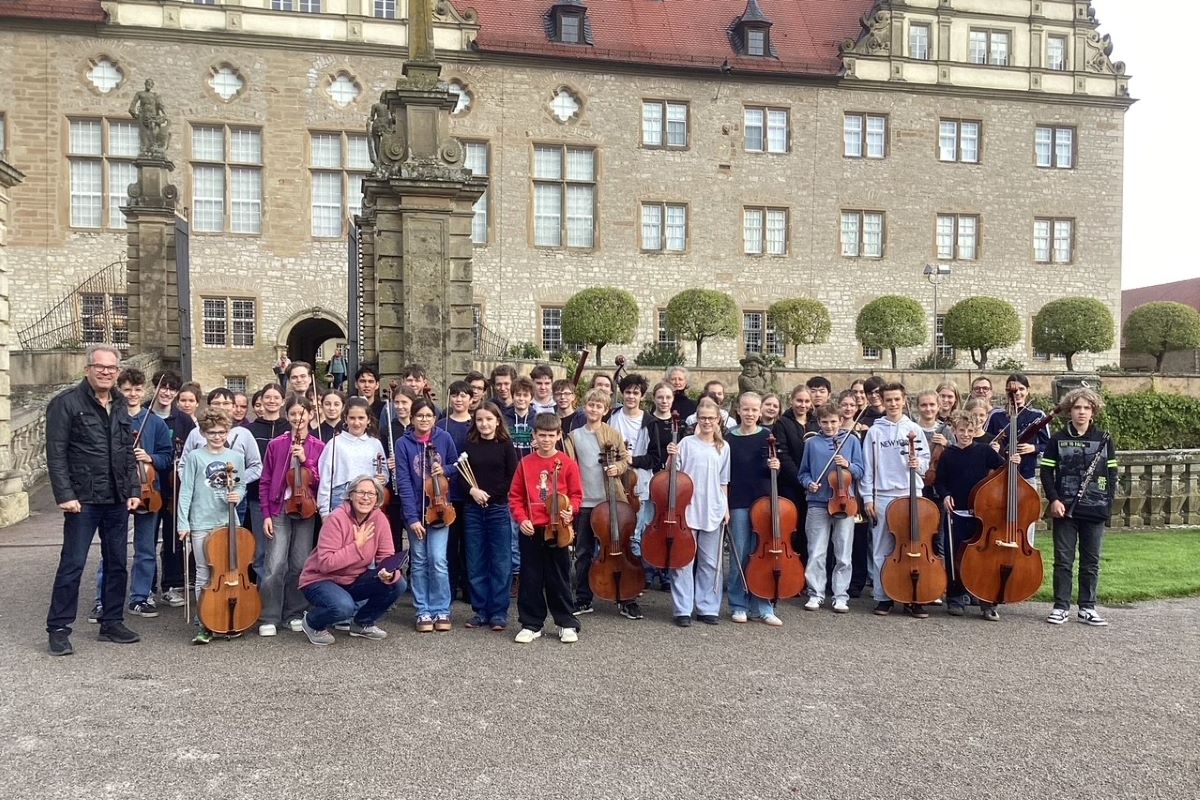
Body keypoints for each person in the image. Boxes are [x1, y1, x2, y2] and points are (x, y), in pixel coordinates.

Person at [45, 345, 143, 656]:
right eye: (100, 367)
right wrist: (65, 495)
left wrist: (133, 490)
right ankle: (59, 628)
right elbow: (56, 453)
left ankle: (111, 621)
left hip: (116, 497)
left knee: (117, 563)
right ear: (88, 368)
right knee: (72, 564)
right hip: (82, 500)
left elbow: (127, 452)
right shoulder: (66, 403)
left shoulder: (120, 404)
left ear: (118, 372)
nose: (106, 372)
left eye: (111, 368)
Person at [89, 368, 173, 623]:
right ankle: (104, 600)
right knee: (111, 549)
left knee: (146, 548)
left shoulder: (155, 422)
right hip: (117, 492)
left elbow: (168, 456)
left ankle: (141, 596)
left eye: (137, 390)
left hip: (149, 491)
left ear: (145, 391)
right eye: (127, 390)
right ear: (119, 390)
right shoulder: (110, 418)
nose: (132, 394)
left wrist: (150, 457)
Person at [1040, 388, 1118, 627]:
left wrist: (1108, 504)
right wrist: (1053, 499)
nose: (1081, 412)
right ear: (1069, 411)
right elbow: (1046, 471)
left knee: (1090, 560)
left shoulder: (1104, 439)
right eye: (1077, 407)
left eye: (1086, 407)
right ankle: (1061, 606)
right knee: (1063, 560)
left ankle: (1087, 607)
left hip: (1095, 509)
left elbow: (1112, 474)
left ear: (1093, 411)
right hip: (1065, 508)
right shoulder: (1058, 438)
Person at [298, 475, 406, 646]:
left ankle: (362, 623)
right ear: (351, 495)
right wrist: (357, 546)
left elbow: (386, 556)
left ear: (377, 498)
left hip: (352, 579)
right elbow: (326, 564)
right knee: (343, 607)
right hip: (320, 580)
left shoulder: (380, 519)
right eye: (361, 492)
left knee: (398, 583)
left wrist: (389, 573)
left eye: (371, 494)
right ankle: (312, 622)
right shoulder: (336, 518)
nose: (365, 498)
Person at [509, 413, 583, 644]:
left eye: (551, 435)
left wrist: (571, 510)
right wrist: (522, 519)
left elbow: (576, 496)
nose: (546, 440)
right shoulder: (525, 463)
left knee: (559, 577)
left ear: (559, 435)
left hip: (558, 529)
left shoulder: (567, 464)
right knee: (530, 577)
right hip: (533, 529)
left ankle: (566, 622)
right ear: (534, 436)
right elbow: (515, 497)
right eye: (542, 435)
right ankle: (531, 623)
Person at [177, 407, 247, 645]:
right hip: (201, 522)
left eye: (221, 432)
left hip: (227, 522)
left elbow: (242, 485)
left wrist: (237, 494)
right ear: (204, 432)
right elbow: (185, 491)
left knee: (230, 572)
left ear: (227, 431)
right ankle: (205, 622)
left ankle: (230, 617)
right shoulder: (196, 457)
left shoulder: (235, 457)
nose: (217, 437)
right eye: (212, 432)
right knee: (204, 574)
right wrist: (182, 522)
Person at [861, 382, 930, 618]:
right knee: (882, 548)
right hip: (883, 494)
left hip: (910, 493)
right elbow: (868, 466)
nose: (892, 404)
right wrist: (867, 497)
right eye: (888, 400)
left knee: (913, 548)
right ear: (883, 401)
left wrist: (917, 464)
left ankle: (913, 596)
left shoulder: (914, 429)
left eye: (896, 399)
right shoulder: (875, 431)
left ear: (904, 401)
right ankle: (883, 597)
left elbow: (925, 462)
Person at [258, 394, 324, 637]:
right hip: (279, 509)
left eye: (302, 413)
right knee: (275, 564)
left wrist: (307, 462)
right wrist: (266, 514)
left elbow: (320, 482)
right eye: (293, 414)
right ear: (288, 416)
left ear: (310, 415)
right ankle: (270, 615)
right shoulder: (276, 445)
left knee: (299, 563)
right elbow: (265, 481)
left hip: (305, 509)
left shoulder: (318, 446)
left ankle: (294, 612)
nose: (298, 418)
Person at [566, 388, 635, 619]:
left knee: (619, 548)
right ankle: (584, 598)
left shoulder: (612, 434)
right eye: (591, 405)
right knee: (584, 552)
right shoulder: (574, 436)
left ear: (606, 411)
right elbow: (569, 464)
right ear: (585, 406)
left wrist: (618, 468)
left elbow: (625, 459)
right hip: (586, 502)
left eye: (599, 407)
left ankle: (625, 597)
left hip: (610, 501)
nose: (594, 409)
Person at [395, 397, 461, 632]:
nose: (424, 420)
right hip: (416, 511)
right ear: (412, 418)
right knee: (420, 561)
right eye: (419, 416)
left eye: (428, 416)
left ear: (435, 419)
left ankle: (441, 608)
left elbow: (456, 465)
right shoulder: (403, 444)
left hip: (440, 509)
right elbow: (402, 480)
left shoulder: (444, 438)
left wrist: (444, 469)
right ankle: (423, 610)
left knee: (438, 560)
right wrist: (411, 518)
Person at [933, 410, 1006, 619]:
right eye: (962, 430)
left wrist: (992, 489)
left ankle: (987, 601)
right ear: (954, 431)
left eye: (970, 430)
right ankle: (956, 598)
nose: (966, 434)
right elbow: (940, 481)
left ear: (975, 432)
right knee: (955, 555)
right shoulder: (948, 454)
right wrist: (945, 495)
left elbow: (1002, 470)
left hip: (982, 513)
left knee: (983, 557)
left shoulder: (984, 451)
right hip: (956, 512)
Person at [666, 396, 730, 628]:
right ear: (696, 420)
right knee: (683, 560)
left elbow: (724, 481)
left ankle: (707, 607)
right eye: (702, 418)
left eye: (711, 418)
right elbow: (672, 475)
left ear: (718, 420)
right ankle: (683, 608)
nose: (706, 422)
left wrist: (726, 508)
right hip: (687, 509)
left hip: (713, 507)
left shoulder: (723, 447)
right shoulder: (685, 443)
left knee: (711, 562)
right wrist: (671, 456)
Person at [799, 403, 865, 614]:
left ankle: (840, 595)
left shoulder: (851, 440)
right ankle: (815, 594)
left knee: (843, 552)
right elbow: (803, 473)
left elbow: (861, 471)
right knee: (816, 551)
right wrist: (809, 483)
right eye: (825, 422)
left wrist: (847, 464)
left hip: (845, 501)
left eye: (833, 422)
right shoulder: (812, 444)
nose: (829, 426)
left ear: (840, 420)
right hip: (818, 501)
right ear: (818, 422)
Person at [725, 392, 782, 626]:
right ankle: (739, 604)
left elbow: (775, 468)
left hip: (762, 501)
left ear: (760, 412)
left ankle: (764, 604)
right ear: (738, 410)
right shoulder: (729, 438)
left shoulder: (768, 436)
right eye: (745, 409)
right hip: (738, 500)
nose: (749, 414)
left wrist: (776, 466)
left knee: (762, 554)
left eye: (754, 410)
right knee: (740, 552)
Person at [463, 402, 519, 630]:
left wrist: (491, 495)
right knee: (476, 561)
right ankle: (480, 610)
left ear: (497, 421)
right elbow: (460, 475)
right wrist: (472, 491)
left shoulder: (505, 445)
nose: (484, 424)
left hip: (498, 509)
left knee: (501, 561)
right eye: (479, 420)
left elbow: (512, 477)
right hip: (473, 509)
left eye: (488, 419)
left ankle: (498, 611)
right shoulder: (469, 444)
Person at [179, 388, 262, 526]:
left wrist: (235, 481)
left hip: (233, 498)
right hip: (203, 500)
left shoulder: (244, 433)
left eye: (226, 403)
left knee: (231, 543)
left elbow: (256, 466)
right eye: (216, 403)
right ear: (209, 405)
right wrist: (196, 485)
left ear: (233, 406)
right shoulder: (196, 433)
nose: (221, 407)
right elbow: (183, 465)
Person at [149, 369, 196, 609]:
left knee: (172, 538)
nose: (166, 392)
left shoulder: (184, 420)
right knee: (146, 540)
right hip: (148, 484)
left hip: (174, 485)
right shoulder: (145, 414)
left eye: (171, 389)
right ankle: (146, 589)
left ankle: (170, 586)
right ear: (155, 387)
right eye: (162, 387)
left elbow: (189, 453)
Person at [630, 381, 678, 592]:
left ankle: (666, 570)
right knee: (647, 525)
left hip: (672, 482)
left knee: (668, 527)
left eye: (668, 397)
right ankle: (648, 568)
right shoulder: (647, 422)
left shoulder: (681, 425)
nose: (664, 401)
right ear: (654, 399)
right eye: (660, 397)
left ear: (673, 399)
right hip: (649, 479)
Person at [317, 396, 389, 520]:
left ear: (368, 420)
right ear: (345, 419)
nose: (356, 423)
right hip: (341, 498)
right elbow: (325, 479)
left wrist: (383, 479)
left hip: (368, 498)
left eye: (361, 418)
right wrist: (324, 511)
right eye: (352, 418)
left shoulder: (375, 443)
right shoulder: (335, 443)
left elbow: (384, 473)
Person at [246, 384, 287, 575]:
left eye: (276, 397)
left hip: (285, 497)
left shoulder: (289, 428)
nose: (271, 401)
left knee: (282, 552)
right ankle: (261, 599)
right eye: (267, 397)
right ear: (260, 402)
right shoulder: (250, 430)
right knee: (261, 550)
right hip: (258, 496)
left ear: (283, 401)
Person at [440, 381, 473, 603]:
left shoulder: (477, 424)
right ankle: (449, 589)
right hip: (448, 493)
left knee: (470, 545)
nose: (459, 399)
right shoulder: (442, 425)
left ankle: (470, 590)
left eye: (463, 395)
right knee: (449, 545)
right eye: (455, 395)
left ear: (471, 399)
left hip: (470, 492)